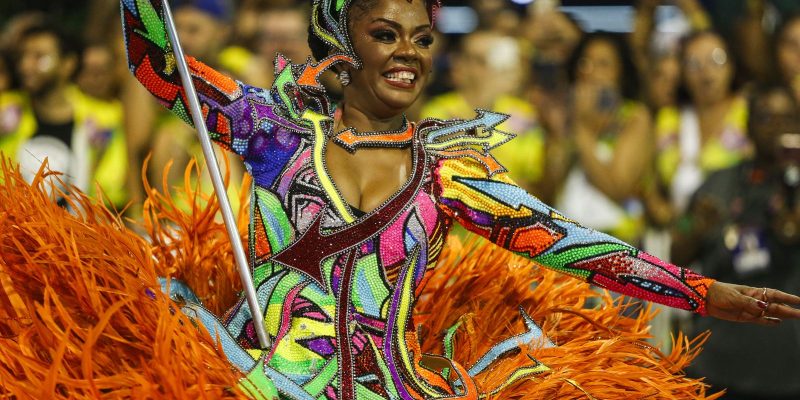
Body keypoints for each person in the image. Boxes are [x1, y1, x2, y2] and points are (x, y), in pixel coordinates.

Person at [1, 0, 799, 398]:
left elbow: (575, 244)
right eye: (387, 34)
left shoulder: (447, 171)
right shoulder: (269, 130)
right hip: (254, 384)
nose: (409, 52)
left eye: (422, 36)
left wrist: (699, 291)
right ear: (344, 42)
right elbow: (155, 63)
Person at [674, 85, 800, 398]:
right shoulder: (720, 180)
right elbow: (678, 247)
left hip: (790, 359)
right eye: (766, 116)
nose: (776, 125)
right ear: (747, 126)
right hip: (720, 358)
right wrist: (696, 226)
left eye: (786, 117)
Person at [0, 21, 128, 207]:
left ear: (67, 64)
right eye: (22, 57)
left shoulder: (106, 118)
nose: (25, 66)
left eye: (39, 57)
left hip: (81, 230)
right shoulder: (5, 108)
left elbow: (112, 190)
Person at [556, 32, 653, 245]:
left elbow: (618, 187)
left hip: (616, 244)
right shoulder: (564, 117)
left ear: (620, 74)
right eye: (584, 62)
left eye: (603, 64)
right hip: (565, 242)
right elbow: (548, 186)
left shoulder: (634, 117)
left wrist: (581, 128)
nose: (590, 72)